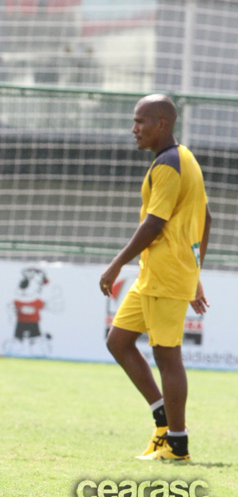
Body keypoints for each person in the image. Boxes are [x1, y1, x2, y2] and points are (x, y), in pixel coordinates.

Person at [100, 94, 212, 462]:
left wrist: (116, 264)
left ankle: (177, 445)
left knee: (167, 356)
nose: (134, 128)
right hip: (160, 273)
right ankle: (163, 420)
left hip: (165, 274)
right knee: (118, 341)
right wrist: (195, 273)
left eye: (140, 121)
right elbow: (206, 219)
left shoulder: (168, 165)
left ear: (162, 124)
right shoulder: (185, 158)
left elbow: (154, 224)